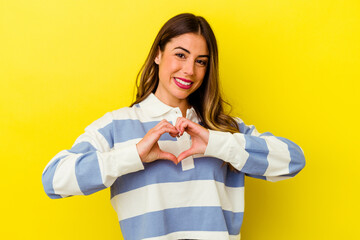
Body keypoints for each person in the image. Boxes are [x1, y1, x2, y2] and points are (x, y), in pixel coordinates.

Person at [42, 13, 305, 240]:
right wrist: (133, 155)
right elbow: (53, 180)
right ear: (158, 54)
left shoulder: (223, 129)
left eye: (200, 61)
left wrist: (217, 143)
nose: (189, 70)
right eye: (180, 55)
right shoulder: (116, 125)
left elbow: (293, 161)